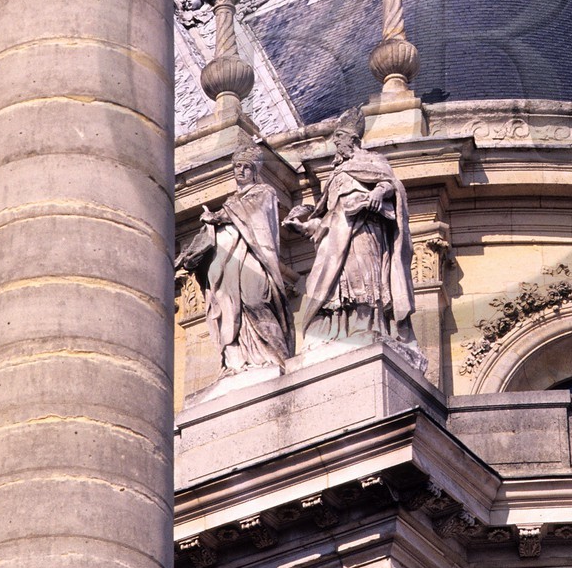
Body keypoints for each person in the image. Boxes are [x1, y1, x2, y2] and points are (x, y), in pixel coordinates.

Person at [286, 106, 419, 355]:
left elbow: (390, 183)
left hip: (365, 227)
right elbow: (326, 219)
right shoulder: (335, 175)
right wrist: (303, 227)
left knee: (364, 275)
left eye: (339, 136)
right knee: (338, 283)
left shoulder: (371, 160)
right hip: (336, 235)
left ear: (353, 139)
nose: (335, 141)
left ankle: (366, 325)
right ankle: (341, 328)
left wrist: (378, 193)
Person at [177, 140, 290, 376]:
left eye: (245, 167)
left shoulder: (264, 192)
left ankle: (277, 357)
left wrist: (217, 216)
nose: (240, 171)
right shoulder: (230, 202)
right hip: (229, 265)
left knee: (255, 301)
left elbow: (251, 215)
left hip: (253, 257)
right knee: (229, 308)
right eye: (237, 166)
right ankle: (237, 360)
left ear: (255, 170)